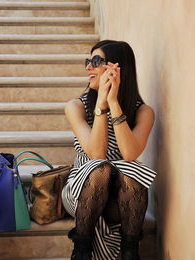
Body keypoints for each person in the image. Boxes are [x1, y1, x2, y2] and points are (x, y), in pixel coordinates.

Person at [62, 40, 156, 260]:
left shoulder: (143, 112)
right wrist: (100, 106)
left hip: (119, 195)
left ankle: (130, 251)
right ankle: (81, 250)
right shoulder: (76, 106)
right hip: (83, 189)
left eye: (96, 61)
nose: (88, 67)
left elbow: (130, 154)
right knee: (101, 168)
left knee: (133, 172)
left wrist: (113, 102)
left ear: (117, 67)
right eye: (88, 61)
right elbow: (96, 154)